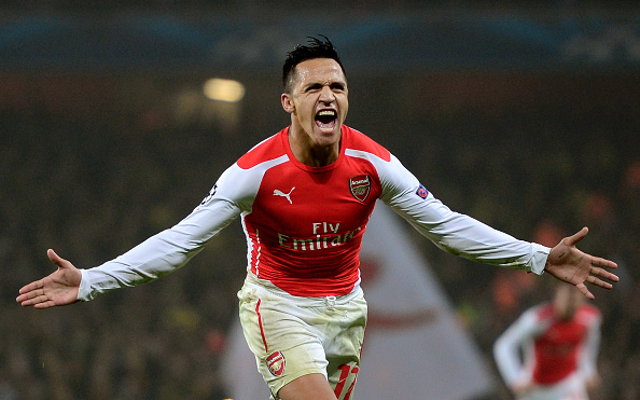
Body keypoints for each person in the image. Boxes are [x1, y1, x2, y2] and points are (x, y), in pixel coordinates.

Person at [16, 36, 618, 400]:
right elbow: (180, 242)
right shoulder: (254, 172)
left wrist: (538, 257)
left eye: (338, 85)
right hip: (277, 305)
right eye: (313, 87)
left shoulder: (374, 162)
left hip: (347, 311)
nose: (328, 95)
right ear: (289, 102)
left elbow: (447, 226)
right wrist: (92, 279)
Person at [493, 284, 603, 400]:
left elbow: (589, 344)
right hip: (536, 389)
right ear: (556, 299)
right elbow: (504, 345)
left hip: (567, 385)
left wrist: (589, 371)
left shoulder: (590, 319)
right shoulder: (538, 319)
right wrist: (515, 379)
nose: (569, 306)